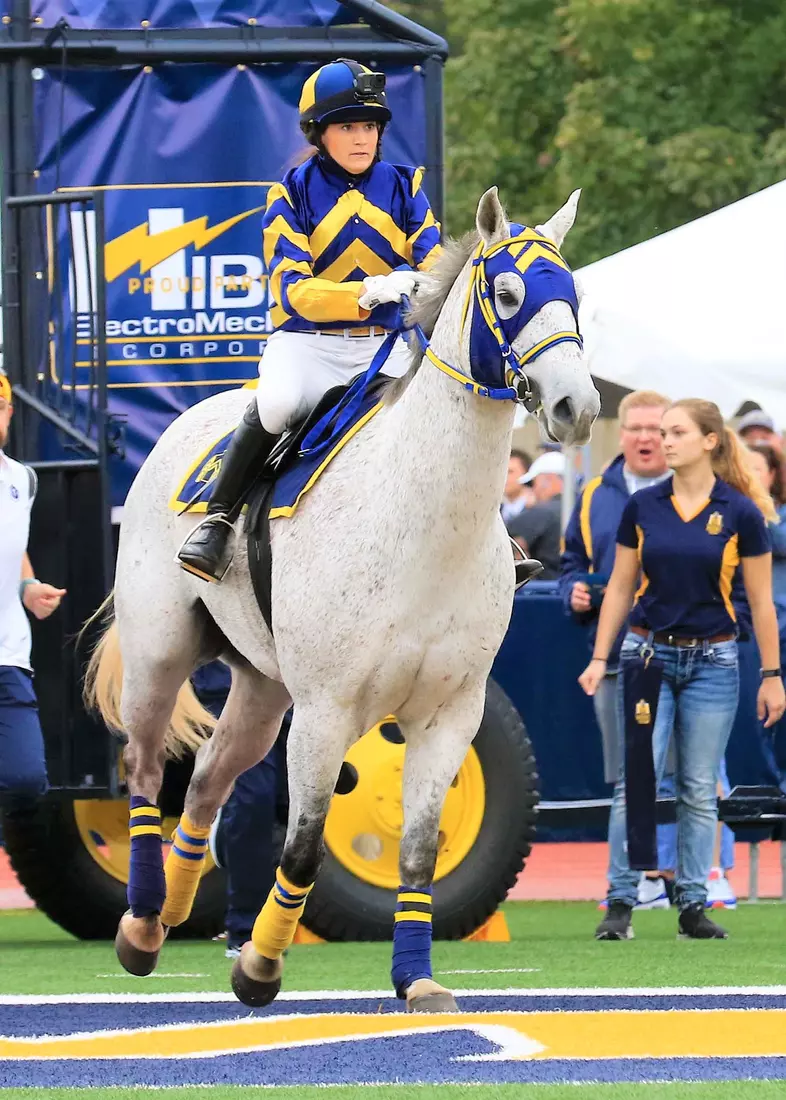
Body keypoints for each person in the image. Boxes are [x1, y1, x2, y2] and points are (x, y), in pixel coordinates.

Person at [177, 58, 543, 588]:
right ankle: (217, 519)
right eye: (348, 125)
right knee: (277, 404)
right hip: (309, 345)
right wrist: (366, 291)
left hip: (388, 343)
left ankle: (492, 533)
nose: (361, 138)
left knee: (443, 417)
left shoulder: (403, 186)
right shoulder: (291, 193)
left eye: (369, 126)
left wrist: (420, 279)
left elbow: (434, 261)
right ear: (319, 132)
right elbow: (292, 290)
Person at [580, 399, 785, 941]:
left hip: (715, 658)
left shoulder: (741, 512)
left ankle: (692, 904)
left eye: (676, 432)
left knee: (699, 786)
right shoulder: (643, 506)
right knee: (636, 781)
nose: (664, 441)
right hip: (647, 654)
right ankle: (620, 901)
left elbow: (761, 604)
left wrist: (772, 674)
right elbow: (621, 586)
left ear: (710, 441)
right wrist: (600, 658)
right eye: (660, 432)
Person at [0, 372, 67, 812]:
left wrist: (27, 585)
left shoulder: (21, 480)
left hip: (8, 654)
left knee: (26, 781)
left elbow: (13, 544)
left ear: (8, 412)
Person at [508, 451, 565, 580]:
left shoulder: (543, 511)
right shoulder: (583, 507)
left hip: (543, 592)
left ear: (548, 479)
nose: (532, 489)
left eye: (533, 483)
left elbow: (503, 535)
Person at [501, 449, 534, 528]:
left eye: (510, 472)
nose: (504, 477)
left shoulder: (537, 509)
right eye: (502, 471)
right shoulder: (495, 513)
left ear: (526, 474)